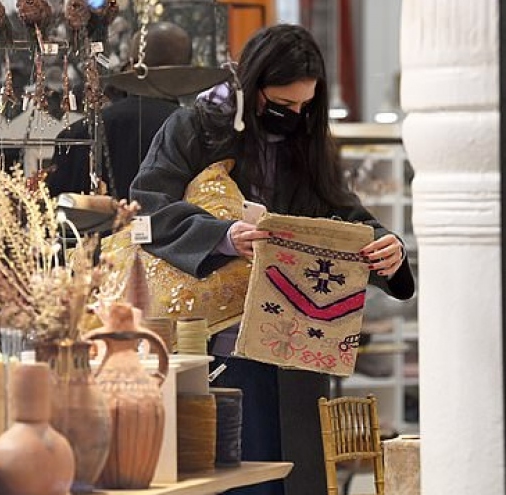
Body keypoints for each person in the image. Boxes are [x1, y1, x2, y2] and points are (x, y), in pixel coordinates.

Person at [129, 24, 414, 495]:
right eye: (283, 104)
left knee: (296, 472)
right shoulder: (195, 127)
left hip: (298, 347)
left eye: (305, 106)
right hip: (219, 347)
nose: (294, 115)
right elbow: (146, 209)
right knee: (232, 472)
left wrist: (386, 247)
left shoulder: (306, 141)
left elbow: (346, 216)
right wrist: (222, 237)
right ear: (252, 85)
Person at [45, 21, 227, 200]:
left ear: (131, 65)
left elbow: (54, 208)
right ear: (186, 72)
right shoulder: (198, 134)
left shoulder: (78, 134)